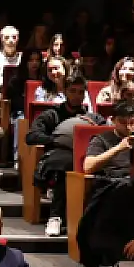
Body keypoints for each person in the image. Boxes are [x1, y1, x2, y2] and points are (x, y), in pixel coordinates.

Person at [24, 74, 104, 238]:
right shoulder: (51, 114)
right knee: (67, 165)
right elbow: (31, 136)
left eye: (81, 92)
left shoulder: (92, 117)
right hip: (57, 155)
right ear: (65, 91)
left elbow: (107, 132)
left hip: (86, 158)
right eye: (73, 91)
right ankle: (56, 217)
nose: (77, 95)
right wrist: (57, 139)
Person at [83, 100, 134, 184]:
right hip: (112, 183)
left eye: (132, 122)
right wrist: (119, 148)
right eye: (122, 122)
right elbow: (88, 167)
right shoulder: (101, 139)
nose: (128, 127)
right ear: (113, 120)